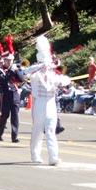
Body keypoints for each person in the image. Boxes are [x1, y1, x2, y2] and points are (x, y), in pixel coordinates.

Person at [24, 36, 71, 165]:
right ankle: (35, 154)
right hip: (38, 103)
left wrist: (57, 73)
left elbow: (66, 80)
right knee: (37, 130)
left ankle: (53, 156)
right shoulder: (35, 73)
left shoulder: (53, 74)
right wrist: (40, 66)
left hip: (50, 103)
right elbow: (25, 73)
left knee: (50, 130)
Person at [0, 39, 21, 143]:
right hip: (6, 94)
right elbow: (3, 80)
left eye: (11, 61)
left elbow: (20, 80)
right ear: (4, 60)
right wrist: (11, 71)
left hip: (15, 94)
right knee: (5, 115)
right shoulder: (0, 70)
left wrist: (17, 71)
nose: (9, 62)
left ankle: (14, 136)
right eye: (7, 61)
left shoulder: (13, 69)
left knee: (15, 116)